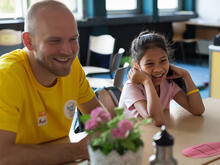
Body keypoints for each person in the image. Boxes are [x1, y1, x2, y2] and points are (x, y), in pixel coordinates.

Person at [0, 1, 102, 164]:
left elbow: (99, 117)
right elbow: (3, 156)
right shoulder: (6, 77)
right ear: (29, 41)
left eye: (73, 39)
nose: (68, 51)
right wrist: (76, 150)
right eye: (54, 41)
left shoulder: (71, 66)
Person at [119, 31, 205, 126]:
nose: (158, 69)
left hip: (154, 134)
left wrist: (186, 75)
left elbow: (198, 110)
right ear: (136, 65)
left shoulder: (167, 83)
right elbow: (156, 121)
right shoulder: (132, 87)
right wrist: (147, 82)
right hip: (134, 138)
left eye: (163, 61)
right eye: (149, 63)